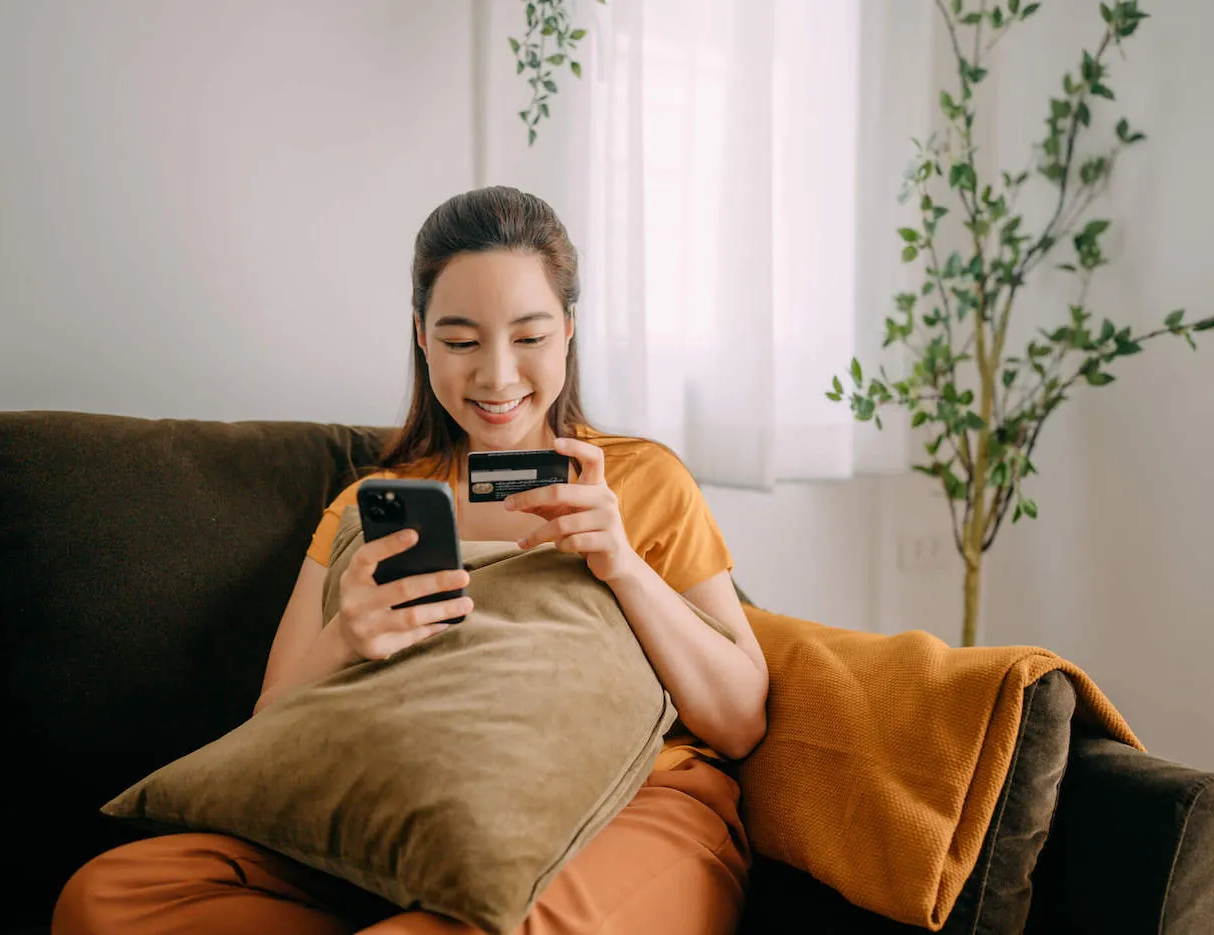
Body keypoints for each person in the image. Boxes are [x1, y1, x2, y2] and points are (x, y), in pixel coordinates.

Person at [52, 186, 770, 935]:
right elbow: (270, 721)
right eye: (461, 341)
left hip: (625, 806)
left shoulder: (639, 478)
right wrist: (345, 637)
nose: (496, 377)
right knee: (107, 898)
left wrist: (623, 565)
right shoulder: (372, 504)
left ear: (568, 333)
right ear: (422, 337)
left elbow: (741, 719)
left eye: (529, 337)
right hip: (404, 804)